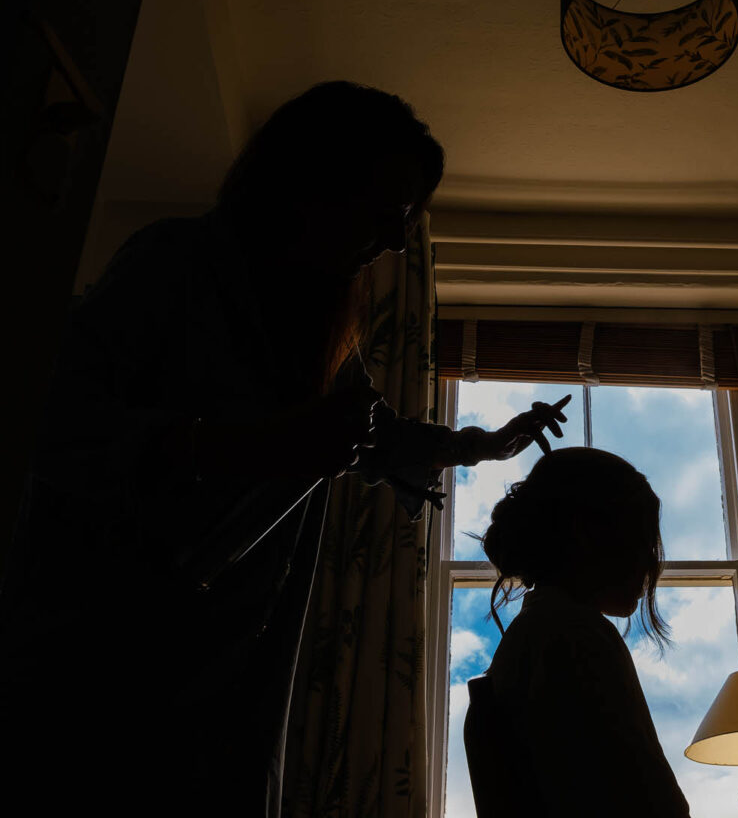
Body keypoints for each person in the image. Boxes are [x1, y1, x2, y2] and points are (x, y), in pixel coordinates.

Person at [0, 81, 568, 816]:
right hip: (92, 660)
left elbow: (374, 433)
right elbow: (53, 422)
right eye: (389, 212)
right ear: (310, 182)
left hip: (227, 676)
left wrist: (476, 445)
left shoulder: (318, 331)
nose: (398, 241)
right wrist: (241, 447)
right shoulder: (171, 264)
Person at [464, 447, 692, 818]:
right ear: (587, 534)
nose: (652, 561)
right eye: (642, 540)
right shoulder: (576, 636)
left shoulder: (537, 633)